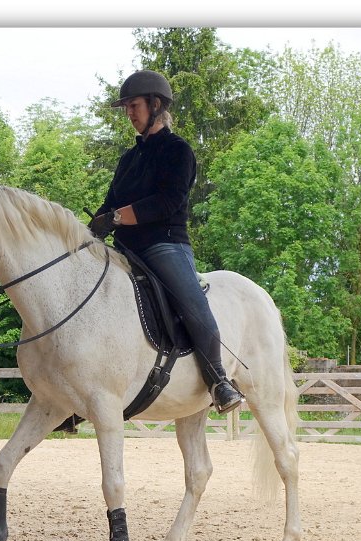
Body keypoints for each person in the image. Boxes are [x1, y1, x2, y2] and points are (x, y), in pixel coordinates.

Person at [89, 69, 244, 414]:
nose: (129, 113)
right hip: (125, 249)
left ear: (155, 105)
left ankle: (218, 380)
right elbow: (109, 202)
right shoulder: (128, 159)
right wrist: (88, 232)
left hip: (164, 245)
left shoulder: (178, 151)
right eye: (126, 107)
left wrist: (115, 218)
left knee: (192, 305)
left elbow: (167, 203)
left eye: (134, 105)